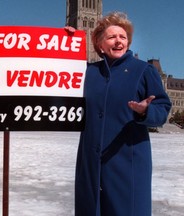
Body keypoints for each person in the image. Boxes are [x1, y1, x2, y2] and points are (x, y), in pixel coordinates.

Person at [66, 12, 171, 215]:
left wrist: (146, 111)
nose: (118, 41)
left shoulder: (143, 70)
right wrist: (67, 42)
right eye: (112, 37)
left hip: (127, 163)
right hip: (91, 164)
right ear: (99, 43)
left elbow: (162, 109)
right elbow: (56, 78)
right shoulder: (88, 72)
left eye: (123, 37)